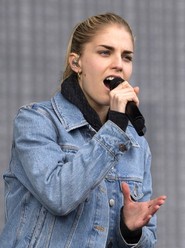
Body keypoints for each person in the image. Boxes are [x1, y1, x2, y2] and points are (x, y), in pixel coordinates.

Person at [0, 12, 166, 247]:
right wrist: (116, 127)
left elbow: (148, 239)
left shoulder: (136, 144)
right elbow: (59, 196)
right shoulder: (36, 120)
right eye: (105, 52)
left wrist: (129, 231)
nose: (118, 64)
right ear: (76, 62)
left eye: (126, 57)